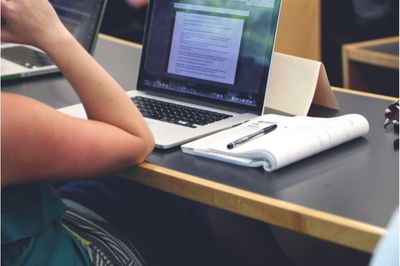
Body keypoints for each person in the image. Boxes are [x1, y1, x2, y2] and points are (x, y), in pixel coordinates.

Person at [1, 0, 154, 265]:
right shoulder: (11, 122)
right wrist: (52, 32)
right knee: (170, 203)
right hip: (58, 255)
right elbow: (135, 138)